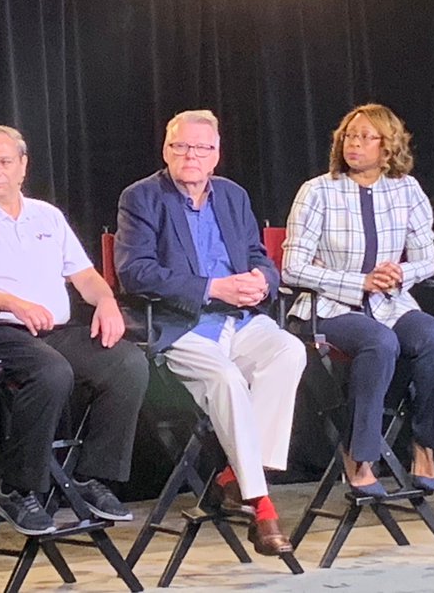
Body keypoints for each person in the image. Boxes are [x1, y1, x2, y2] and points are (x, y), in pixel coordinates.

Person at [115, 110, 307, 557]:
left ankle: (232, 479)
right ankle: (261, 505)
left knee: (289, 350)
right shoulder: (141, 197)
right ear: (166, 149)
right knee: (227, 378)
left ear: (216, 154)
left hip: (238, 319)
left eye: (201, 148)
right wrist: (212, 288)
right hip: (180, 325)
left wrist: (262, 281)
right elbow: (134, 272)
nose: (191, 156)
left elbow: (259, 256)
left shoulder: (233, 196)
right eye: (181, 146)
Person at [0, 125, 148, 535]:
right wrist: (13, 302)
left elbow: (84, 275)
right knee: (51, 371)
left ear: (23, 165)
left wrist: (107, 302)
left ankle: (93, 476)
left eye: (5, 162)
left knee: (128, 362)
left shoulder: (47, 216)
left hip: (53, 329)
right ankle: (17, 489)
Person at [282, 103, 434, 497]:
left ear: (388, 146)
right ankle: (359, 455)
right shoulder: (317, 191)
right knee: (379, 341)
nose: (355, 144)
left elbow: (427, 260)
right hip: (328, 307)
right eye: (350, 136)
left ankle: (424, 445)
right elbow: (292, 268)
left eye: (366, 137)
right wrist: (359, 282)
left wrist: (398, 274)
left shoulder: (407, 189)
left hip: (390, 303)